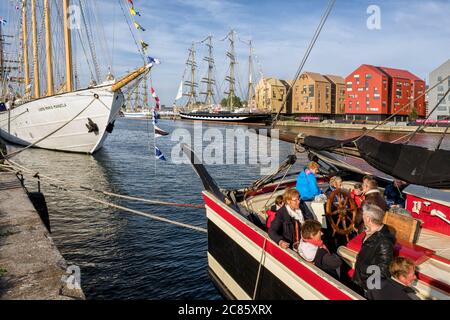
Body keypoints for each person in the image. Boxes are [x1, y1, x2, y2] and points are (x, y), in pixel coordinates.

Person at [352, 203, 395, 292]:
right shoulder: (371, 232)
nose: (362, 218)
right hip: (361, 280)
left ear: (368, 219)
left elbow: (383, 271)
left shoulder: (384, 242)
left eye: (363, 215)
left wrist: (362, 268)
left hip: (367, 286)